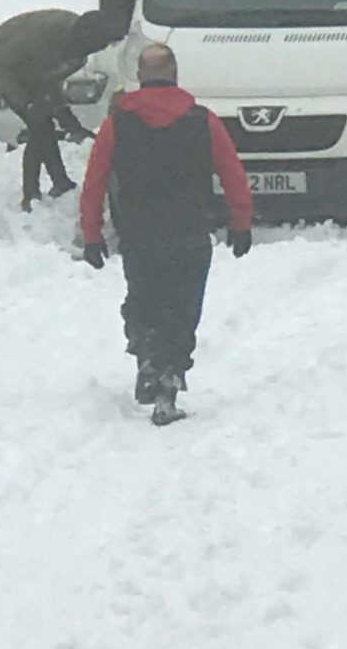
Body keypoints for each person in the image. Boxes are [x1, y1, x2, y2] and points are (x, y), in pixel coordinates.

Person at [79, 43, 254, 427]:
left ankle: (147, 354)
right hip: (189, 233)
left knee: (143, 299)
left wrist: (92, 233)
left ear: (141, 77)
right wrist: (241, 222)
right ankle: (168, 384)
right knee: (182, 308)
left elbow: (95, 180)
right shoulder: (202, 121)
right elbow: (232, 173)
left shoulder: (117, 125)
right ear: (175, 73)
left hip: (140, 235)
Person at [0, 0, 139, 211]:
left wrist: (67, 119)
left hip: (27, 69)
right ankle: (30, 194)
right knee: (39, 127)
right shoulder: (46, 38)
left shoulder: (78, 52)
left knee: (44, 123)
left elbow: (48, 81)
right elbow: (3, 67)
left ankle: (59, 181)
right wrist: (25, 103)